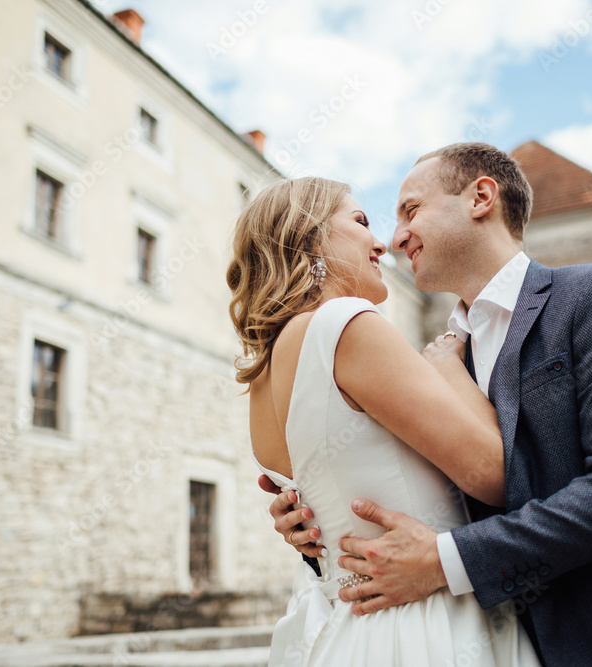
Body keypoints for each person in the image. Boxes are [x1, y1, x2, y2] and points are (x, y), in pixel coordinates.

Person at [264, 143, 592, 666]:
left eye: (411, 210)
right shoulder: (422, 368)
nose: (396, 238)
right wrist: (316, 521)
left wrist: (445, 561)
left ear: (481, 198)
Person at [227, 176, 539, 666]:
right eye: (360, 221)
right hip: (425, 626)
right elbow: (498, 476)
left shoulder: (263, 374)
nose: (380, 243)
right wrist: (447, 367)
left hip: (345, 628)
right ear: (309, 235)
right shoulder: (344, 322)